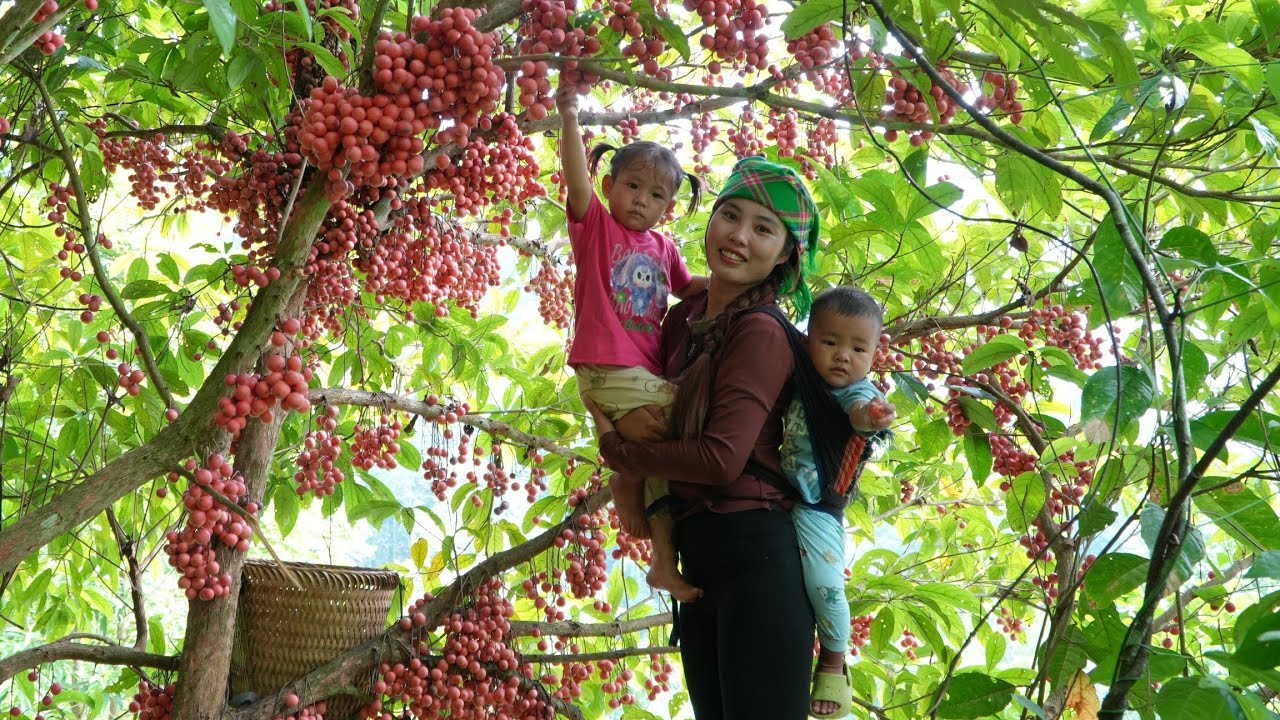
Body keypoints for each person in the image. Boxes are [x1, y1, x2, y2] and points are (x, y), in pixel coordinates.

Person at [584, 156, 823, 719]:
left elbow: (719, 460)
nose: (739, 237)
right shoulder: (682, 321)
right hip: (701, 566)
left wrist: (620, 455)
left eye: (763, 229)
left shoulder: (760, 331)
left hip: (757, 558)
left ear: (786, 253)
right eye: (730, 216)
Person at [555, 79, 707, 602]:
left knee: (667, 459)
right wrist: (568, 116)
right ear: (611, 184)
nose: (641, 201)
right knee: (689, 418)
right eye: (632, 186)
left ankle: (663, 562)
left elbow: (691, 289)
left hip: (639, 375)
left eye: (657, 195)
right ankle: (623, 470)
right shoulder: (596, 226)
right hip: (608, 367)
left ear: (670, 205)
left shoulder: (664, 246)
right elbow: (577, 182)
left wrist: (757, 278)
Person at [780, 286, 895, 718]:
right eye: (830, 342)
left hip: (818, 508)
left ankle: (832, 658)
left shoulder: (857, 392)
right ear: (809, 340)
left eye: (858, 348)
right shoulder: (801, 373)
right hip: (781, 494)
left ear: (873, 354)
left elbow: (860, 412)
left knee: (826, 586)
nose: (842, 356)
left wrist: (873, 418)